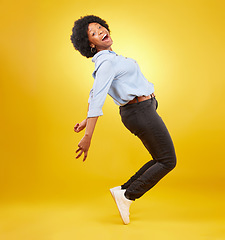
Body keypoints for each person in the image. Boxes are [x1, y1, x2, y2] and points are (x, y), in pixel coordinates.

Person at [70, 15, 177, 225]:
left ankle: (123, 190)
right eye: (93, 33)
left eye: (100, 27)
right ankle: (129, 195)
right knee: (167, 160)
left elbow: (94, 93)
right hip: (139, 112)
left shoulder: (111, 57)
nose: (100, 31)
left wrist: (85, 119)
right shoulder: (106, 62)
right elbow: (98, 97)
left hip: (143, 109)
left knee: (159, 158)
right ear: (90, 44)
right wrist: (88, 135)